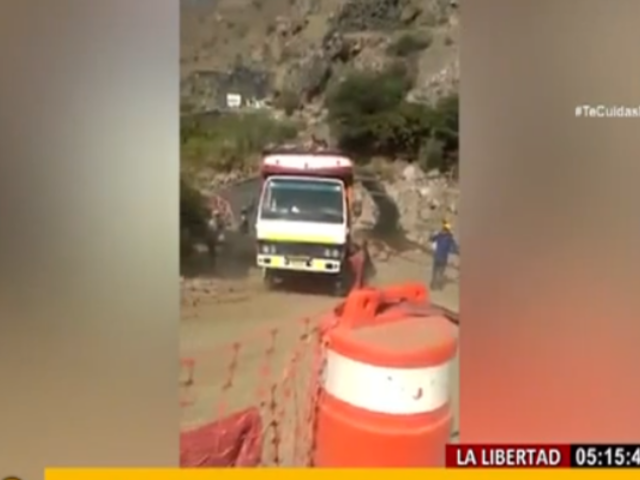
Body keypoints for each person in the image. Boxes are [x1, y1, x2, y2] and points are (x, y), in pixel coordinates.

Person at [429, 220, 459, 290]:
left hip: (437, 256)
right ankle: (439, 286)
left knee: (435, 272)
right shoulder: (450, 238)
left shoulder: (439, 235)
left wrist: (432, 234)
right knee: (440, 272)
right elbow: (454, 248)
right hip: (443, 258)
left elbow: (431, 239)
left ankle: (433, 286)